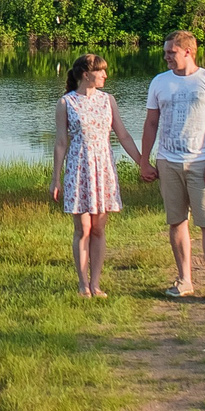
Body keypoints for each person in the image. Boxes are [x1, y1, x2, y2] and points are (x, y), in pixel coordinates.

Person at [137, 30, 205, 301]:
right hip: (168, 161)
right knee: (177, 221)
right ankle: (184, 280)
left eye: (172, 52)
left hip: (202, 161)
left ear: (188, 51)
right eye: (165, 52)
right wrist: (145, 161)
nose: (166, 57)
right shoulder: (159, 82)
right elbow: (151, 123)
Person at [50, 51, 147, 297]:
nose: (105, 75)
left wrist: (142, 163)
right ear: (86, 75)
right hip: (78, 168)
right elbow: (60, 143)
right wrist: (55, 179)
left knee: (98, 228)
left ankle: (96, 283)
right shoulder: (66, 103)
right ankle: (82, 284)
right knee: (83, 228)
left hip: (103, 168)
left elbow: (123, 135)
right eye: (100, 70)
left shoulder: (108, 100)